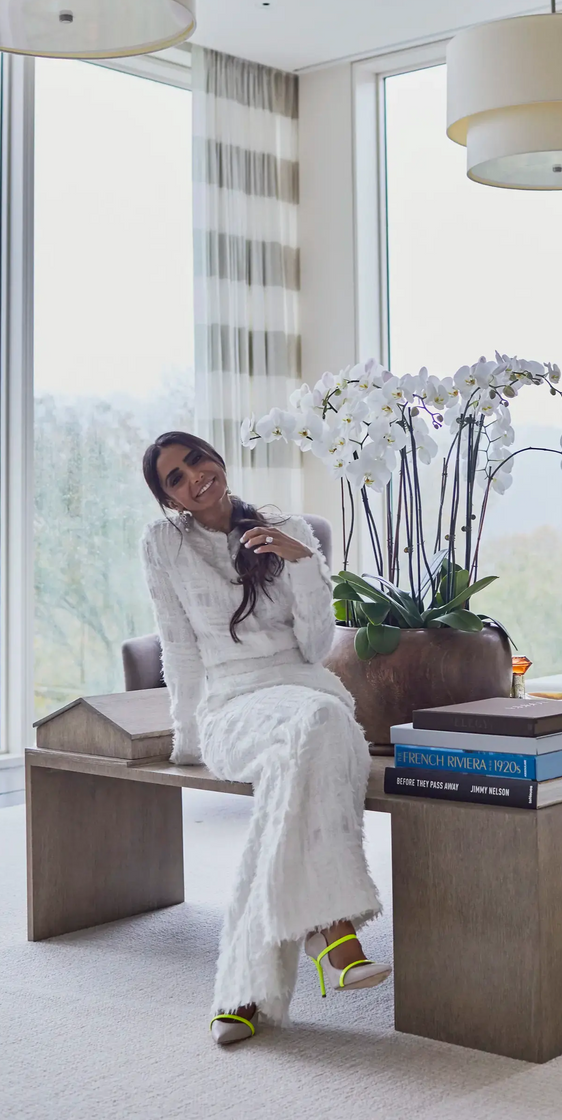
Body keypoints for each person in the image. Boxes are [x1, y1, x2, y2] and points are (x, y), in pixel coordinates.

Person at [140, 430, 389, 1045]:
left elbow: (313, 648)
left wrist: (302, 563)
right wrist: (187, 737)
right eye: (175, 477)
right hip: (232, 707)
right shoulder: (163, 545)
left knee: (314, 737)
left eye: (195, 460)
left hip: (308, 693)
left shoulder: (290, 531)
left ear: (216, 459)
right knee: (318, 735)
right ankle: (333, 928)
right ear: (171, 500)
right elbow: (177, 644)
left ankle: (245, 991)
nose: (193, 476)